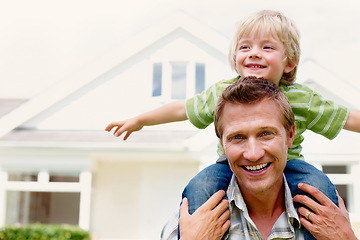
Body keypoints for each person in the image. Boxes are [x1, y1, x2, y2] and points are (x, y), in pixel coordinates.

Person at [105, 10, 360, 239]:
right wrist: (140, 120)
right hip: (227, 167)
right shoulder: (223, 93)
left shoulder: (301, 99)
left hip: (292, 166)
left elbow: (348, 117)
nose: (254, 53)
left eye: (267, 47)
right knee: (200, 187)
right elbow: (182, 108)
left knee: (321, 189)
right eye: (245, 47)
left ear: (289, 62)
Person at [161, 77, 358, 240]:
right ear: (222, 144)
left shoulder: (330, 220)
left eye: (266, 134)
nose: (253, 154)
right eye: (237, 137)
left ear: (290, 136)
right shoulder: (190, 222)